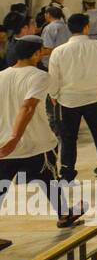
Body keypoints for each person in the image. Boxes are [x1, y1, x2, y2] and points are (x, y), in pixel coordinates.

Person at [0, 37, 85, 238]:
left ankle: (65, 214)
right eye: (43, 50)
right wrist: (14, 137)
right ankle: (64, 215)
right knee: (49, 180)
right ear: (36, 53)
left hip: (3, 145)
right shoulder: (39, 76)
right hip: (35, 143)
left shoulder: (1, 76)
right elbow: (28, 106)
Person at [47, 12, 97, 194]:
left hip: (68, 100)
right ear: (86, 27)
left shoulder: (59, 51)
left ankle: (68, 173)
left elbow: (53, 78)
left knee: (68, 138)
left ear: (70, 29)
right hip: (95, 97)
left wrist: (53, 94)